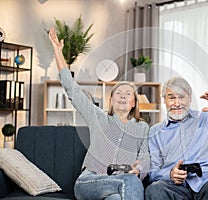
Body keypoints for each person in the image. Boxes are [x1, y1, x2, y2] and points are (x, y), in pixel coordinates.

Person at [48, 28, 149, 200]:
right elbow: (72, 89)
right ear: (112, 100)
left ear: (134, 102)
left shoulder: (143, 127)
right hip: (91, 180)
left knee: (117, 196)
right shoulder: (98, 116)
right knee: (130, 183)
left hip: (121, 181)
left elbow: (145, 158)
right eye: (118, 93)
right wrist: (58, 52)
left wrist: (138, 169)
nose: (123, 96)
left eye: (128, 94)